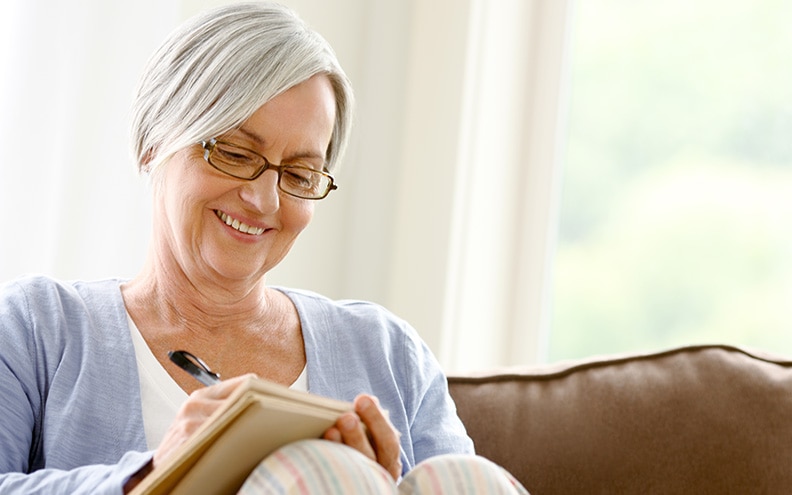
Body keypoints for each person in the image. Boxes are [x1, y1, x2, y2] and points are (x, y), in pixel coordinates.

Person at [0, 2, 529, 494]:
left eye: (300, 174)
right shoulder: (36, 330)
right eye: (232, 151)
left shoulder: (388, 353)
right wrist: (154, 475)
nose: (263, 199)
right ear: (153, 143)